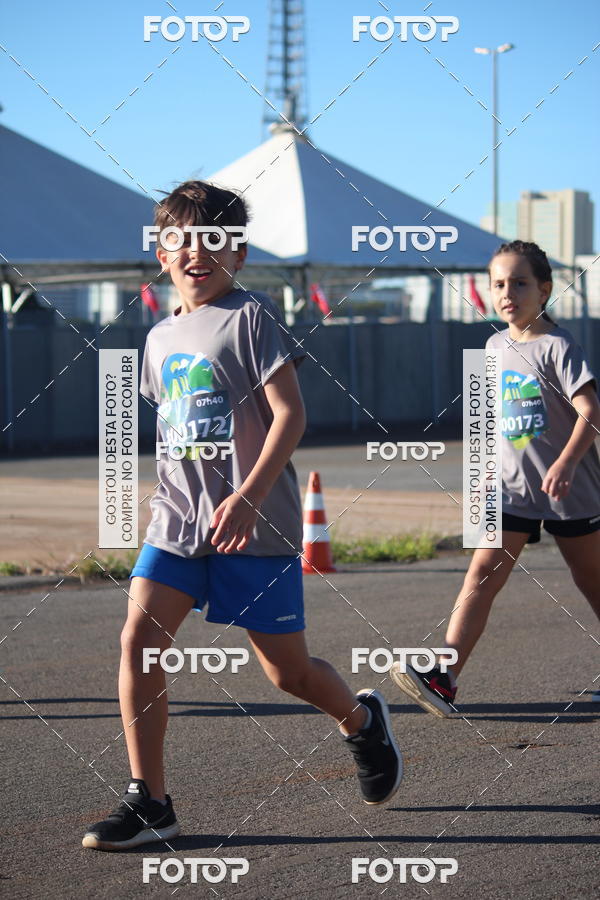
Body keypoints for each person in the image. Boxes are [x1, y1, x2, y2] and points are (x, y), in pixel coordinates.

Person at [82, 181, 402, 851]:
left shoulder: (249, 317)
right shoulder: (160, 335)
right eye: (181, 240)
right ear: (161, 252)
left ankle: (360, 720)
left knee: (287, 674)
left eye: (214, 240)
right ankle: (152, 804)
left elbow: (291, 414)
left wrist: (249, 493)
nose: (197, 252)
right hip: (176, 523)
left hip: (256, 528)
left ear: (240, 253)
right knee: (137, 643)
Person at [391, 240, 600, 715]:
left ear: (544, 289)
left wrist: (565, 463)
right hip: (509, 490)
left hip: (570, 489)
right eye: (499, 284)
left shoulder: (559, 346)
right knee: (482, 572)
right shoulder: (491, 345)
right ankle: (444, 676)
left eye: (520, 283)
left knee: (591, 580)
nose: (508, 293)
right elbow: (487, 424)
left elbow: (591, 411)